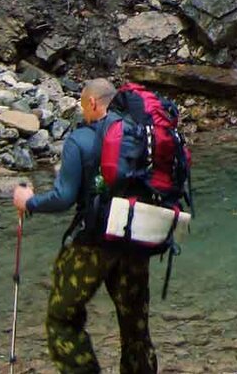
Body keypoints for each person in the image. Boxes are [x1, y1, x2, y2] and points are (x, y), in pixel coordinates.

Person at [13, 78, 157, 374]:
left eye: (82, 105)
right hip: (136, 240)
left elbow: (63, 197)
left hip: (95, 243)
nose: (83, 112)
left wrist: (29, 202)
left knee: (61, 318)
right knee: (135, 328)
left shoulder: (80, 140)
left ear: (92, 102)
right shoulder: (141, 133)